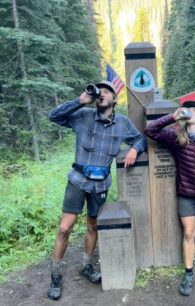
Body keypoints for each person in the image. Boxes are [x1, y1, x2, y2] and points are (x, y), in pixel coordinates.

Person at [47, 81, 146, 300]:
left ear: (114, 99)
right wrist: (80, 101)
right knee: (65, 227)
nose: (101, 94)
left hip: (101, 184)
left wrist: (133, 149)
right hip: (77, 180)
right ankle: (55, 275)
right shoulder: (82, 115)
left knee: (93, 225)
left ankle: (86, 265)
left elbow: (141, 138)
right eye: (99, 91)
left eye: (107, 91)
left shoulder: (122, 123)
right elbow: (54, 116)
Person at [144, 101, 195, 297]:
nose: (191, 113)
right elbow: (151, 131)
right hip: (186, 194)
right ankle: (189, 273)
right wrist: (172, 117)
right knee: (189, 233)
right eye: (187, 110)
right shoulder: (176, 136)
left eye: (194, 111)